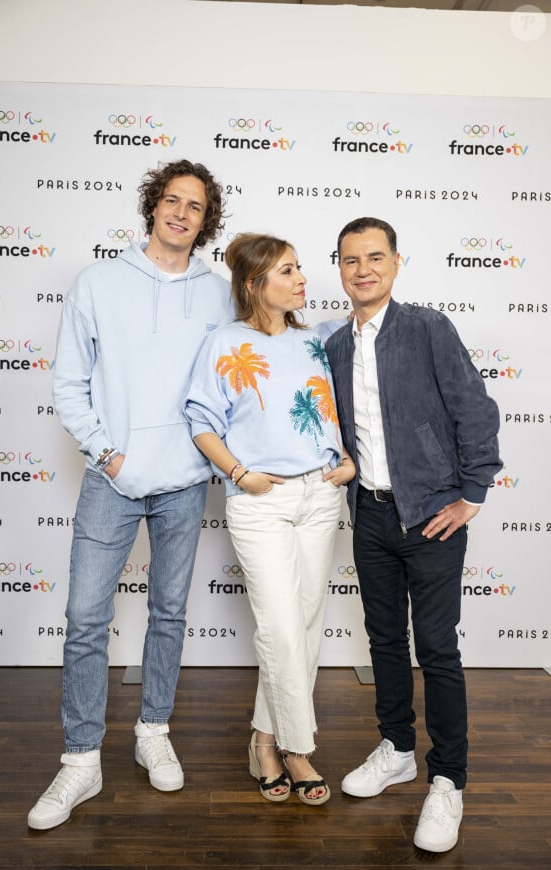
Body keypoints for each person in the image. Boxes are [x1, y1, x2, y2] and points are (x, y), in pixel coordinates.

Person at [27, 160, 234, 830]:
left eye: (195, 206)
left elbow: (236, 379)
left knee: (169, 613)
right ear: (152, 208)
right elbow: (69, 382)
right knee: (87, 617)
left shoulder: (220, 292)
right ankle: (81, 759)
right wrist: (105, 450)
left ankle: (153, 731)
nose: (181, 213)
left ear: (207, 221)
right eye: (171, 201)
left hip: (185, 481)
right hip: (110, 480)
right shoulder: (98, 283)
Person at [325, 217, 502, 851]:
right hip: (370, 515)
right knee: (383, 641)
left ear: (397, 263)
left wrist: (472, 495)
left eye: (375, 257)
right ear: (338, 268)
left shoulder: (428, 327)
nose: (363, 268)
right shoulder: (334, 345)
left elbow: (474, 409)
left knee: (437, 649)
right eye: (350, 259)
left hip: (430, 514)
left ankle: (448, 780)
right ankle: (397, 746)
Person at [184, 233, 355, 806]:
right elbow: (201, 420)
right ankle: (298, 748)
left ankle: (262, 739)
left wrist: (347, 458)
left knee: (303, 628)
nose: (303, 278)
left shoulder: (316, 341)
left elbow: (342, 407)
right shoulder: (225, 342)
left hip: (320, 497)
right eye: (288, 270)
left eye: (301, 268)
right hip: (261, 500)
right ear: (255, 284)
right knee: (281, 628)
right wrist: (239, 473)